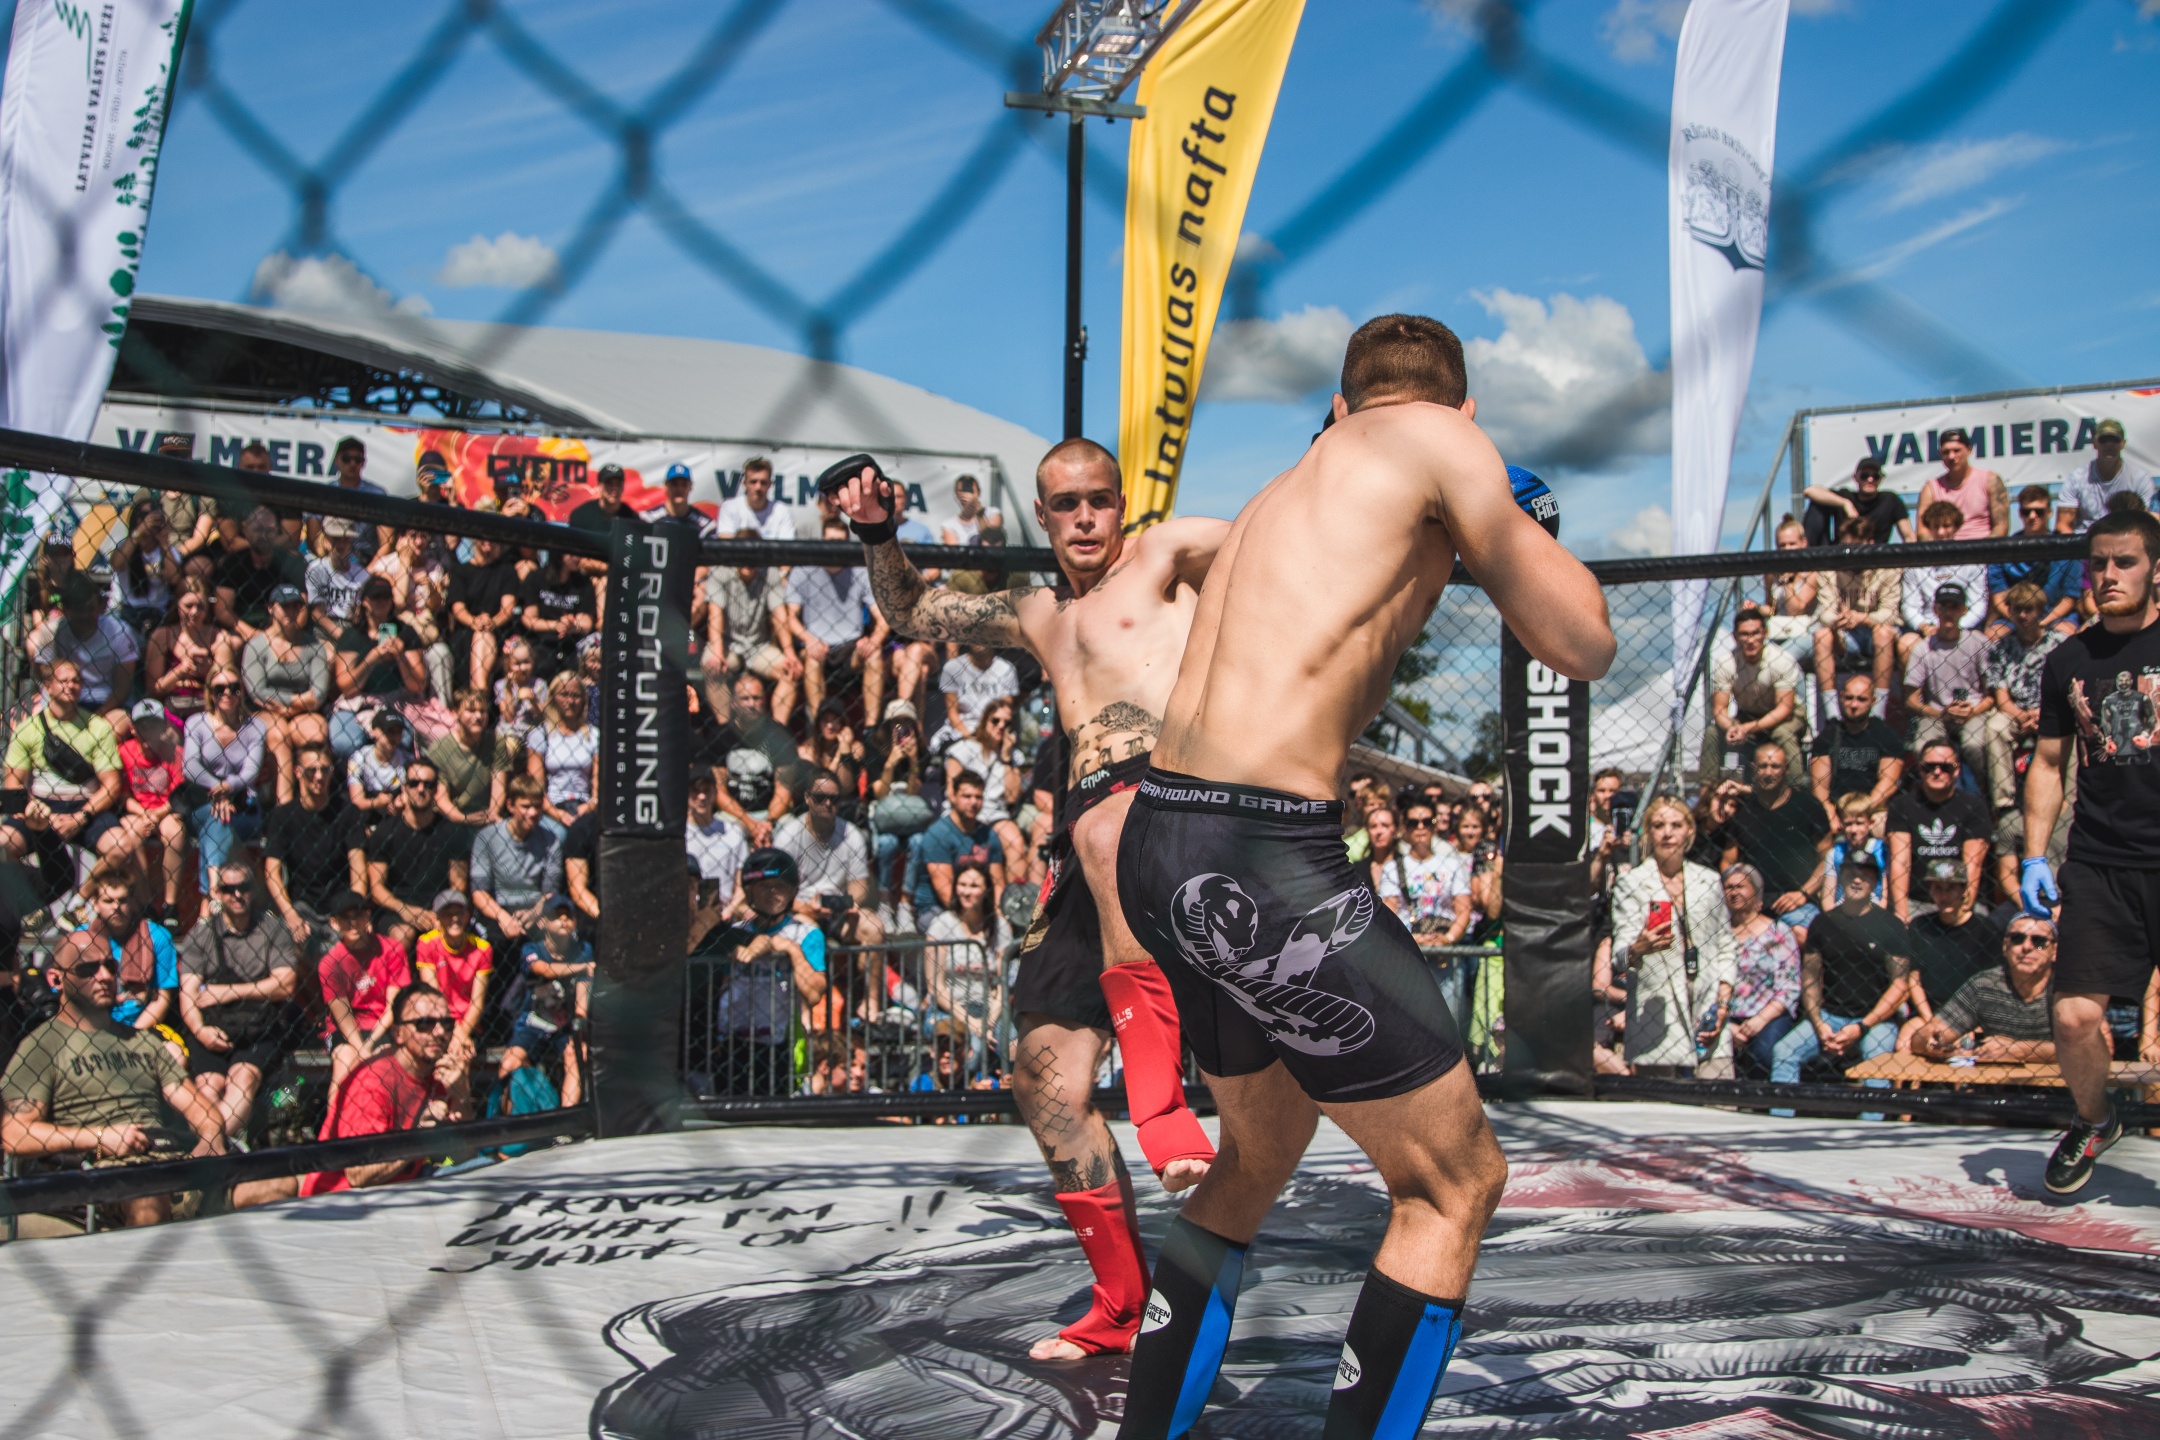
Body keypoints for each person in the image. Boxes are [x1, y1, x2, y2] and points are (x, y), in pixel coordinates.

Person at [1098, 314, 1612, 1436]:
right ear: (1462, 409)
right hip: (1258, 852)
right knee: (1455, 1184)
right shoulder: (1444, 441)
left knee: (1256, 1157)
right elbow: (1583, 643)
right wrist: (1518, 519)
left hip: (1161, 838)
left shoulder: (1282, 491)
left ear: (1337, 406)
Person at [838, 433, 1231, 1363]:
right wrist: (878, 531)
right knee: (1043, 1074)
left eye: (1100, 499)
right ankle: (1121, 1303)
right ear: (1044, 516)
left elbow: (1283, 534)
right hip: (1086, 842)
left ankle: (1161, 1101)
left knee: (1112, 829)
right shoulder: (1039, 611)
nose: (1086, 518)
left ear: (1122, 504)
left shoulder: (1168, 559)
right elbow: (910, 608)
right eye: (1066, 504)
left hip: (1181, 813)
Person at [2020, 508, 2160, 1192]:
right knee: (2074, 1017)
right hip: (2101, 863)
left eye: (2125, 561)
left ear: (2156, 569)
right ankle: (2096, 1120)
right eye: (2098, 562)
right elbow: (2049, 763)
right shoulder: (2068, 659)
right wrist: (2033, 855)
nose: (2109, 574)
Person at [1, 931, 225, 1226]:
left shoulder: (142, 1041)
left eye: (110, 966)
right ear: (56, 979)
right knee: (147, 1200)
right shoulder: (42, 1046)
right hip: (108, 1172)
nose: (105, 976)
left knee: (270, 1185)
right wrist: (100, 1138)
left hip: (171, 1162)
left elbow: (197, 1106)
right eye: (88, 969)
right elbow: (15, 1134)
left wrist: (211, 1138)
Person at [299, 984, 470, 1197]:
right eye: (424, 1024)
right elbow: (358, 1175)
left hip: (403, 1184)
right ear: (398, 1033)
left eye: (447, 1023)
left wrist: (461, 1095)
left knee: (481, 1168)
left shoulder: (438, 1074)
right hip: (342, 1199)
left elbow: (465, 1154)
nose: (439, 1032)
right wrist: (419, 1137)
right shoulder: (372, 1082)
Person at [1611, 796, 1736, 1073]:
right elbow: (1619, 956)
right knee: (1659, 1097)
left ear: (1690, 830)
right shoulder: (1631, 883)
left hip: (1707, 1005)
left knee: (1718, 1093)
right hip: (1656, 1015)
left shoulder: (1709, 880)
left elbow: (1725, 944)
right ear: (1648, 832)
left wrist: (1722, 1003)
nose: (1667, 833)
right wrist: (1639, 947)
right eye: (1658, 825)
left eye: (1676, 825)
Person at [179, 862, 300, 1144]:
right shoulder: (201, 934)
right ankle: (220, 1148)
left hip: (259, 1028)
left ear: (253, 890)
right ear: (217, 893)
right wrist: (200, 1031)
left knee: (242, 1078)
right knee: (208, 1086)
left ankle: (210, 1149)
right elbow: (188, 993)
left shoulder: (273, 929)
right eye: (228, 889)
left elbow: (286, 984)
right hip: (212, 1026)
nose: (236, 895)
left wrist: (228, 991)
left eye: (243, 887)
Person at [1770, 854, 1909, 1085]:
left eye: (1865, 875)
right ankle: (1783, 1107)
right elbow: (1810, 979)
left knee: (1877, 1061)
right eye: (1851, 874)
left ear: (1875, 882)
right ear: (1842, 879)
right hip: (1829, 1017)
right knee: (1784, 1051)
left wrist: (1862, 1026)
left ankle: (1875, 1110)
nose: (1857, 880)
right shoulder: (1822, 924)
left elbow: (1900, 985)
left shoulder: (1890, 926)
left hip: (1875, 1020)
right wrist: (1819, 1024)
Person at [0, 660, 130, 891]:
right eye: (64, 681)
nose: (71, 686)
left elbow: (111, 786)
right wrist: (37, 814)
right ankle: (25, 902)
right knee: (3, 845)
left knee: (120, 847)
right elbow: (13, 785)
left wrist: (80, 817)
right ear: (48, 686)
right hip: (39, 806)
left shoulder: (98, 728)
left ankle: (80, 900)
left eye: (76, 681)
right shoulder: (28, 728)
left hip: (85, 806)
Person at [711, 849, 827, 1096]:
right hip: (732, 1040)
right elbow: (720, 985)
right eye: (763, 886)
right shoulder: (736, 932)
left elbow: (814, 993)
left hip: (777, 1043)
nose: (772, 893)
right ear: (750, 892)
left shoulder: (805, 934)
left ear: (792, 891)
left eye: (780, 886)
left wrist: (792, 951)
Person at [1903, 582, 2011, 815]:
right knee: (1922, 745)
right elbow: (1910, 700)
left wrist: (1973, 710)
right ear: (1935, 610)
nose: (1948, 612)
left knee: (1975, 744)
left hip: (1975, 709)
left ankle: (1981, 796)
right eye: (1943, 606)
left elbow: (1992, 694)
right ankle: (1930, 799)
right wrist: (1940, 713)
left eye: (1954, 606)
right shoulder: (1923, 648)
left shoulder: (1978, 642)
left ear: (1963, 610)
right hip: (1937, 712)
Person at [263, 740, 366, 960]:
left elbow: (358, 870)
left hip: (341, 905)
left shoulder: (348, 813)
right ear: (298, 772)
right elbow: (272, 872)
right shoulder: (283, 816)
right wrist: (290, 914)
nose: (319, 777)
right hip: (302, 906)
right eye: (311, 771)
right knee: (292, 943)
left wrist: (355, 913)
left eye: (325, 770)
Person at [1910, 914, 2057, 1064]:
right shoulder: (1984, 985)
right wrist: (1931, 1040)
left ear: (2055, 951)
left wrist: (2017, 1049)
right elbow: (1921, 1039)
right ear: (2005, 946)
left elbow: (2073, 1048)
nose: (2027, 947)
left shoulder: (2065, 989)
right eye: (2017, 938)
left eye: (2039, 941)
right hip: (1997, 1077)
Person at [1375, 799, 1474, 1026]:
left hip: (1444, 955)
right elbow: (1389, 911)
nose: (1420, 828)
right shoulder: (1393, 867)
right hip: (1407, 954)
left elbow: (1464, 909)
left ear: (1435, 825)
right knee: (1410, 1022)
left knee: (1449, 1024)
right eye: (1413, 823)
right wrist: (1412, 938)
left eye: (1426, 822)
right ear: (1405, 828)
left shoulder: (1452, 864)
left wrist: (1447, 939)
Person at [1722, 742, 1830, 942]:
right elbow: (1728, 862)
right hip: (1752, 904)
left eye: (1775, 766)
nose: (1769, 773)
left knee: (1802, 936)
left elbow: (1828, 857)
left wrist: (1803, 894)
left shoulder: (1807, 806)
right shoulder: (1743, 812)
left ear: (1786, 769)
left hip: (1797, 900)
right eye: (1763, 766)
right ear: (1753, 769)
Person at [786, 517, 887, 724]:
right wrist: (809, 640)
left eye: (840, 542)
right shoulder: (802, 570)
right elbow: (791, 618)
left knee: (875, 656)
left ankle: (871, 728)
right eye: (831, 541)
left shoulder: (860, 571)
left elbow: (882, 619)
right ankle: (818, 727)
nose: (835, 547)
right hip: (816, 643)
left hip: (850, 647)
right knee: (812, 658)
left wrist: (873, 641)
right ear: (822, 541)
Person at [366, 756, 473, 947]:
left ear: (436, 790)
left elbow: (458, 885)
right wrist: (405, 910)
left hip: (441, 908)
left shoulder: (452, 832)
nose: (421, 789)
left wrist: (441, 913)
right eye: (414, 783)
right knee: (403, 934)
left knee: (452, 932)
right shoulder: (385, 832)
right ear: (404, 788)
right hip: (396, 910)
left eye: (428, 784)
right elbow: (376, 888)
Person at [242, 585, 334, 804]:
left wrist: (289, 704)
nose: (291, 612)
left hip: (302, 711)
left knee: (316, 733)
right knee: (279, 735)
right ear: (271, 608)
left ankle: (314, 802)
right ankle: (284, 806)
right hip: (266, 711)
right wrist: (297, 700)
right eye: (285, 606)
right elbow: (257, 692)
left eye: (295, 607)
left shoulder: (314, 645)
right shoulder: (257, 645)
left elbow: (318, 693)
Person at [183, 664, 270, 896]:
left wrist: (228, 787)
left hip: (242, 804)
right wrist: (217, 788)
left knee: (219, 820)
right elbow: (190, 766)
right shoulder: (196, 723)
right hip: (203, 802)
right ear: (210, 694)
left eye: (234, 688)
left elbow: (251, 771)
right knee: (217, 816)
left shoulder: (256, 727)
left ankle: (212, 893)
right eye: (220, 689)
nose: (228, 693)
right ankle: (216, 891)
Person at [1900, 859, 2002, 1050]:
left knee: (1965, 1047)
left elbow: (1993, 984)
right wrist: (1930, 1021)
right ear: (1930, 891)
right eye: (1938, 888)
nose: (1944, 895)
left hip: (1972, 1015)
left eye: (1951, 889)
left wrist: (1974, 1023)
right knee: (1904, 1044)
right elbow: (1914, 979)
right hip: (1930, 1011)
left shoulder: (1986, 930)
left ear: (1964, 891)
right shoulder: (1920, 926)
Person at [774, 770, 881, 951]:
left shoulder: (852, 834)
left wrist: (851, 903)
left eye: (834, 798)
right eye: (820, 798)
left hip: (839, 911)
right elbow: (776, 891)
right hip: (799, 910)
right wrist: (804, 908)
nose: (828, 803)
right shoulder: (788, 836)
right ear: (807, 798)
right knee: (811, 934)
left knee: (874, 929)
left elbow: (859, 884)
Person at [317, 889, 413, 1089]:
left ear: (368, 916)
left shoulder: (391, 949)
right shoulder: (330, 963)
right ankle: (336, 1110)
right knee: (345, 1063)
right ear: (334, 923)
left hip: (384, 1026)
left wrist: (370, 1045)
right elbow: (343, 1016)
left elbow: (394, 1006)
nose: (353, 922)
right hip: (347, 1031)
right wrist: (361, 1050)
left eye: (358, 915)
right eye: (345, 917)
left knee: (386, 1065)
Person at [1886, 740, 1991, 921]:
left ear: (1957, 770)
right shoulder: (1901, 806)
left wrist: (1963, 911)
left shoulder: (1973, 807)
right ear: (1920, 769)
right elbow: (1900, 861)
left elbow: (1972, 865)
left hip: (1960, 898)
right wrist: (1901, 913)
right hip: (1916, 901)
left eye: (1945, 767)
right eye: (1929, 767)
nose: (1937, 772)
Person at [500, 894, 591, 1105]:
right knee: (509, 1063)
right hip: (533, 1023)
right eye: (556, 916)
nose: (563, 920)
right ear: (542, 923)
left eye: (568, 916)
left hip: (566, 1026)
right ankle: (509, 1119)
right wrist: (583, 968)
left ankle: (567, 1118)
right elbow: (543, 969)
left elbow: (582, 999)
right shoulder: (531, 949)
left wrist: (579, 1030)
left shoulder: (583, 950)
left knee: (577, 1056)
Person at [1985, 581, 2068, 799]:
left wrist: (2043, 713)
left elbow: (2067, 690)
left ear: (2040, 610)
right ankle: (2004, 801)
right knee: (1994, 728)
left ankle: (2066, 796)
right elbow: (2001, 697)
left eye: (2028, 609)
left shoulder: (2060, 644)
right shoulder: (2000, 648)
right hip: (2015, 712)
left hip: (2053, 710)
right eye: (2017, 609)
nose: (2022, 615)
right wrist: (2022, 716)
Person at [705, 541, 802, 725]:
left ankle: (777, 729)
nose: (748, 562)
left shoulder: (770, 572)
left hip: (759, 646)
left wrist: (790, 654)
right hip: (727, 644)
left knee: (790, 672)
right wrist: (717, 653)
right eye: (743, 557)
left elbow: (779, 617)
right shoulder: (719, 572)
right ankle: (724, 731)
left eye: (753, 558)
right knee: (712, 668)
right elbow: (715, 615)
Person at [1705, 607, 1803, 786]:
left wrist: (1747, 728)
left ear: (1765, 633)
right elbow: (1719, 709)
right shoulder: (1726, 663)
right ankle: (1708, 792)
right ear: (1735, 637)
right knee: (1713, 733)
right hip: (1747, 714)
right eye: (1744, 634)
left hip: (1784, 716)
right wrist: (1732, 727)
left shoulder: (1782, 659)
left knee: (1783, 734)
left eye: (1755, 633)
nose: (1750, 640)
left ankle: (1797, 791)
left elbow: (1785, 709)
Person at [1811, 514, 1900, 708]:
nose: (1850, 553)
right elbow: (1825, 613)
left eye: (1857, 547)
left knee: (1883, 632)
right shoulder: (1829, 568)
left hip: (1876, 630)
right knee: (1821, 636)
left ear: (1870, 543)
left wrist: (1861, 618)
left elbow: (1891, 614)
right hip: (1845, 633)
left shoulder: (1888, 566)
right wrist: (1841, 619)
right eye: (1846, 547)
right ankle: (1832, 713)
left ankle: (1878, 710)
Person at [1721, 863, 1801, 1077]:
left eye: (1740, 886)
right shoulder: (1717, 934)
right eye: (1729, 887)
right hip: (1724, 1016)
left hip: (1767, 1015)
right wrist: (1726, 1025)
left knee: (1764, 1054)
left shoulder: (1778, 933)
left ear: (1756, 892)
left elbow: (1789, 988)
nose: (1734, 892)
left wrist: (1760, 1020)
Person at [921, 859, 1009, 1056]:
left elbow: (1002, 985)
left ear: (986, 890)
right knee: (973, 1053)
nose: (966, 892)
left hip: (989, 1008)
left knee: (1013, 1046)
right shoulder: (941, 926)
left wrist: (989, 1021)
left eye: (974, 886)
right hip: (950, 1008)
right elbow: (936, 987)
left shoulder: (1000, 927)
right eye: (962, 885)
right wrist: (972, 1023)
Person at [113, 700, 189, 918]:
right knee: (131, 833)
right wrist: (144, 814)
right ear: (133, 728)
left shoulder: (175, 752)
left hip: (166, 810)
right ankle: (146, 903)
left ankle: (170, 905)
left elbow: (178, 795)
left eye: (153, 725)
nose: (148, 732)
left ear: (163, 727)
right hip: (137, 811)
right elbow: (123, 796)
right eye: (143, 726)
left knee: (176, 833)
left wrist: (157, 814)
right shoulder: (124, 752)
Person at [29, 575, 139, 725]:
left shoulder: (119, 631)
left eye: (90, 609)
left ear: (100, 607)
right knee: (38, 718)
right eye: (79, 610)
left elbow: (122, 687)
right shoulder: (52, 632)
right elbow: (44, 674)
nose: (85, 615)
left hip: (107, 701)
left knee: (116, 725)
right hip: (65, 697)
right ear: (66, 609)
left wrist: (94, 718)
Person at [470, 776, 564, 950]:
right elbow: (479, 892)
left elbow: (550, 891)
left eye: (537, 806)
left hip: (536, 906)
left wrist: (535, 913)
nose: (533, 813)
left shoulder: (551, 840)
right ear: (510, 805)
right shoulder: (487, 837)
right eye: (526, 806)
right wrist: (503, 917)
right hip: (498, 906)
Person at [1897, 504, 1990, 666]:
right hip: (1926, 627)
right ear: (1929, 529)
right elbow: (1909, 606)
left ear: (1956, 527)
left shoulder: (1973, 560)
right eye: (1936, 526)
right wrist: (1924, 626)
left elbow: (1978, 605)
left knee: (1982, 642)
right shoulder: (1915, 563)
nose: (1941, 532)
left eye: (1946, 526)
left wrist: (1956, 626)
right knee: (1906, 643)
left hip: (1963, 626)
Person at [1986, 487, 2082, 637]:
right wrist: (2019, 621)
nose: (2032, 516)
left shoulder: (2067, 549)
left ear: (2049, 513)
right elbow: (1999, 598)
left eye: (2039, 511)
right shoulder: (2003, 550)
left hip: (2054, 616)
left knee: (2066, 632)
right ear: (2020, 513)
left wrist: (2041, 623)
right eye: (2026, 512)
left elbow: (2070, 598)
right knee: (1994, 633)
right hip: (2015, 617)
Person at [415, 890, 491, 1077]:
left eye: (459, 913)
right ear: (437, 919)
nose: (454, 918)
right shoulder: (427, 943)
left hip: (469, 1024)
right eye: (448, 914)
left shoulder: (482, 948)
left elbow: (477, 1003)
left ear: (468, 916)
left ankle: (457, 1095)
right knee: (454, 1053)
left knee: (460, 1055)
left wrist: (462, 1033)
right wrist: (457, 1033)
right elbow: (433, 997)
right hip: (438, 1018)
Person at [1808, 674, 1904, 814]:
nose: (1854, 705)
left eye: (1861, 699)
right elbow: (1820, 788)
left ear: (1873, 700)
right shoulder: (1828, 736)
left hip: (1873, 809)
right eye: (1849, 698)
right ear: (1841, 697)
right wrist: (1830, 814)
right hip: (1834, 809)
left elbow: (1889, 782)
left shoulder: (1887, 736)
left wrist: (1860, 812)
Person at [212, 506, 308, 645]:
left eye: (269, 530)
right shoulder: (232, 563)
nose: (264, 535)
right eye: (258, 530)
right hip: (243, 631)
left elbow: (303, 609)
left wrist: (277, 636)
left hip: (284, 632)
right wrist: (255, 635)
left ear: (277, 533)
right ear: (246, 532)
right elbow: (222, 611)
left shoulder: (292, 564)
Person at [429, 688, 519, 825]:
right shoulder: (439, 749)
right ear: (455, 713)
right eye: (471, 711)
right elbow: (441, 797)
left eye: (483, 711)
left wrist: (491, 816)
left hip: (486, 814)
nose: (478, 716)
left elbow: (499, 786)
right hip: (452, 818)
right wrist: (464, 819)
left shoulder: (495, 742)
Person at [525, 670, 598, 836]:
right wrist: (557, 814)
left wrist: (590, 806)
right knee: (558, 835)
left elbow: (598, 783)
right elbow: (536, 787)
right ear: (553, 697)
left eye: (576, 696)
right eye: (564, 695)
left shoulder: (594, 735)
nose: (570, 701)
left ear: (583, 699)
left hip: (585, 805)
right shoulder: (540, 735)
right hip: (552, 806)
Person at [143, 577, 227, 720]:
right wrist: (180, 671)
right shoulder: (162, 636)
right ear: (177, 604)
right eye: (188, 606)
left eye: (201, 606)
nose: (195, 612)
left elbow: (227, 685)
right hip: (170, 710)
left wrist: (208, 670)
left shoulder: (219, 637)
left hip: (209, 709)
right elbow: (153, 690)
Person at [447, 536, 523, 692]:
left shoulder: (506, 571)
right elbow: (458, 608)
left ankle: (478, 691)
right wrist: (474, 621)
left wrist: (492, 622)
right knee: (481, 636)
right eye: (483, 536)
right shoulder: (460, 570)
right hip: (466, 631)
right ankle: (480, 691)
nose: (488, 540)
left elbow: (507, 608)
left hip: (497, 630)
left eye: (492, 536)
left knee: (483, 636)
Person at [2054, 419, 2151, 534]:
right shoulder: (2076, 478)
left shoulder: (2139, 478)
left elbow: (2145, 523)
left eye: (2115, 440)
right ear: (2094, 443)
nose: (2109, 445)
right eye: (2103, 440)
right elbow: (2062, 524)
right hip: (2085, 541)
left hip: (2124, 539)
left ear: (2123, 444)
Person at [1916, 428, 2008, 540]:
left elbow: (2001, 527)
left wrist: (1984, 548)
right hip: (1945, 549)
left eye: (1956, 451)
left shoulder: (1990, 480)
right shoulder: (1931, 488)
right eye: (1946, 452)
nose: (1951, 456)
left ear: (1969, 450)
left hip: (1984, 548)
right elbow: (1922, 531)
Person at [1802, 455, 1913, 546]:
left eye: (1875, 476)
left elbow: (1909, 536)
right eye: (1865, 475)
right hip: (1840, 555)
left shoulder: (1890, 500)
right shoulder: (1845, 496)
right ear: (1855, 477)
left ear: (1881, 479)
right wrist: (1845, 504)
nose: (1870, 479)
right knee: (1817, 504)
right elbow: (1809, 491)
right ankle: (1808, 557)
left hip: (1876, 558)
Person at [304, 516, 370, 641]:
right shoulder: (316, 569)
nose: (341, 544)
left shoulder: (362, 575)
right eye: (335, 539)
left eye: (345, 539)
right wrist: (341, 635)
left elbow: (358, 614)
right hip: (323, 628)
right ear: (325, 540)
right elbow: (316, 613)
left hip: (351, 628)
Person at [1821, 792, 1888, 910]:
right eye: (1848, 824)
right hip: (1842, 911)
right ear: (1841, 824)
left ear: (1871, 823)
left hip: (1875, 911)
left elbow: (1885, 898)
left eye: (1859, 823)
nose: (1853, 830)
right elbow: (1827, 899)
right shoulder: (1835, 853)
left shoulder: (1882, 851)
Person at [714, 457, 796, 539]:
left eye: (763, 482)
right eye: (753, 482)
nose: (758, 487)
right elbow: (726, 542)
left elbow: (786, 545)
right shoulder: (729, 507)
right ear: (744, 483)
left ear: (770, 484)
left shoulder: (782, 511)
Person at [640, 461, 719, 539]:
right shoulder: (648, 519)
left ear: (690, 487)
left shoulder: (705, 525)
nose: (679, 489)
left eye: (684, 484)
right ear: (666, 486)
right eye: (674, 484)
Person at [939, 472, 999, 547]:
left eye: (969, 490)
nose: (965, 493)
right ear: (956, 495)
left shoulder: (993, 514)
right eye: (961, 491)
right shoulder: (949, 525)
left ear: (978, 492)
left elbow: (991, 542)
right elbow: (953, 551)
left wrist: (979, 513)